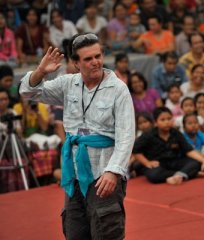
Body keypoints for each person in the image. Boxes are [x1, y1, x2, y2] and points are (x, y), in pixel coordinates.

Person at [19, 33, 135, 239]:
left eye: (98, 56)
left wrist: (114, 171)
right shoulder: (67, 84)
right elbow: (28, 92)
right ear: (75, 63)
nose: (95, 62)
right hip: (74, 172)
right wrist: (40, 72)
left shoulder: (118, 89)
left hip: (103, 172)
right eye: (88, 59)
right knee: (75, 231)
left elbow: (126, 135)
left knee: (106, 231)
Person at [132, 107, 204, 185]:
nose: (167, 122)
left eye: (169, 119)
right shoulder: (148, 135)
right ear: (155, 122)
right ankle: (183, 174)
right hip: (158, 164)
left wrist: (203, 160)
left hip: (175, 161)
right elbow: (135, 151)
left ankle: (178, 176)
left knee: (196, 163)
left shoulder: (175, 133)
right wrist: (147, 163)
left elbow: (188, 150)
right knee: (153, 175)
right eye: (163, 120)